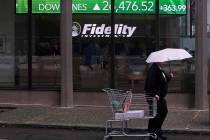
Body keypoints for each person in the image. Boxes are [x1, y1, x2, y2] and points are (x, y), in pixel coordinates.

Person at [144, 62, 173, 140]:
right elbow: (150, 83)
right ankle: (153, 134)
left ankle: (157, 132)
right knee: (155, 115)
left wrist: (169, 77)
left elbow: (163, 81)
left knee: (163, 111)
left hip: (160, 97)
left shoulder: (160, 70)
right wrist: (154, 94)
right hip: (154, 97)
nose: (164, 62)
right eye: (162, 60)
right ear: (158, 61)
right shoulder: (153, 70)